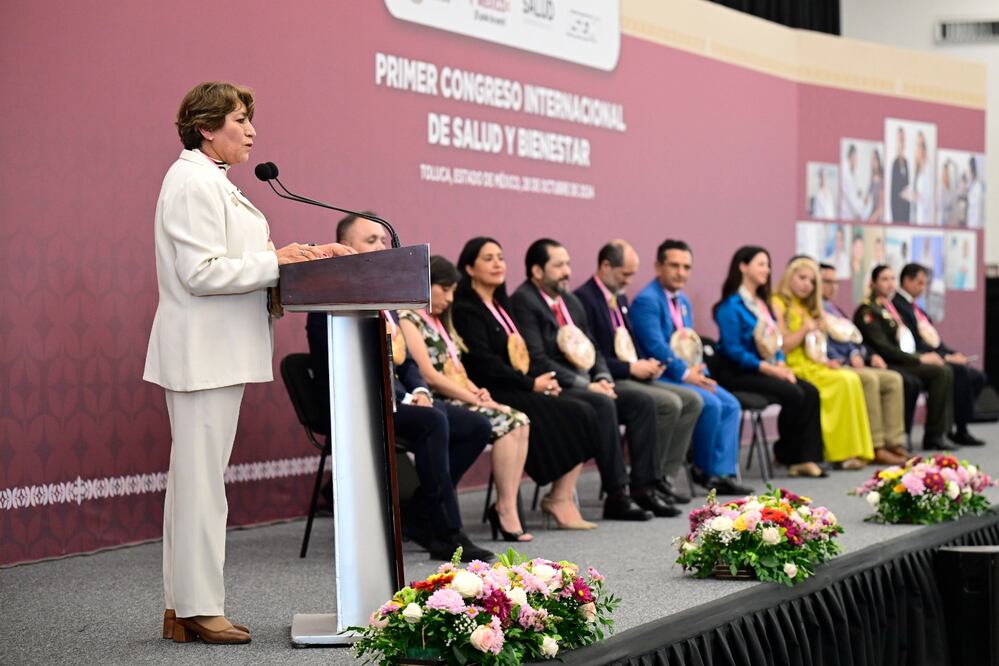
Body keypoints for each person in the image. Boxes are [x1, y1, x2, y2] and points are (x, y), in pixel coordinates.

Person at [144, 81, 352, 645]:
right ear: (207, 127)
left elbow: (242, 263)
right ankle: (197, 607)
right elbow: (203, 272)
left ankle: (182, 607)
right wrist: (275, 261)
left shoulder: (216, 183)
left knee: (197, 481)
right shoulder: (191, 180)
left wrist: (302, 258)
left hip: (217, 352)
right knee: (200, 485)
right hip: (201, 353)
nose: (252, 131)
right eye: (240, 120)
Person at [307, 214, 494, 562]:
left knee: (476, 426)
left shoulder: (385, 297)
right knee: (434, 422)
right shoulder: (328, 298)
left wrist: (419, 390)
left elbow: (404, 361)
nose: (381, 246)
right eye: (371, 241)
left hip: (397, 398)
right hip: (359, 403)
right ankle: (445, 531)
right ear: (346, 248)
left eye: (383, 240)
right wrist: (407, 397)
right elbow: (351, 360)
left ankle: (418, 512)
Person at [452, 237, 597, 530]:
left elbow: (523, 354)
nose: (497, 264)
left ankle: (560, 496)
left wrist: (543, 382)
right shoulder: (466, 308)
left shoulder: (502, 305)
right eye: (488, 258)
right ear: (469, 267)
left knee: (586, 409)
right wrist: (532, 385)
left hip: (517, 384)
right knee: (574, 412)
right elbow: (483, 363)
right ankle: (540, 502)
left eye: (501, 258)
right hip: (489, 389)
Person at [512, 238, 658, 521]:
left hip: (588, 382)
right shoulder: (524, 301)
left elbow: (594, 349)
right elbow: (536, 358)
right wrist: (587, 385)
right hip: (555, 385)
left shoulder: (570, 301)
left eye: (568, 264)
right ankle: (617, 495)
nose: (567, 271)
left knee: (642, 401)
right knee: (602, 404)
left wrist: (602, 376)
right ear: (537, 271)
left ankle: (644, 488)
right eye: (558, 265)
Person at [399, 256, 533, 541]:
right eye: (443, 289)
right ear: (425, 285)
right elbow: (430, 376)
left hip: (458, 395)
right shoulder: (409, 318)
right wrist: (475, 401)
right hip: (434, 399)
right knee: (507, 423)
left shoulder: (438, 321)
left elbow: (456, 369)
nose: (449, 298)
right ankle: (502, 510)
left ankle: (505, 505)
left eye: (452, 291)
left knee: (521, 420)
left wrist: (476, 391)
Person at [574, 240, 702, 504]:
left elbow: (628, 344)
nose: (630, 281)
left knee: (692, 400)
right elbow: (590, 357)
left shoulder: (618, 296)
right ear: (606, 266)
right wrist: (631, 367)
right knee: (667, 402)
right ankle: (644, 483)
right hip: (608, 378)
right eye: (625, 274)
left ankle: (664, 477)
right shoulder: (584, 300)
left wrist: (646, 364)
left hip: (630, 373)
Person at [630, 239, 751, 494]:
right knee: (711, 403)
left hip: (685, 373)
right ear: (658, 266)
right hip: (661, 374)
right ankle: (704, 470)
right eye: (674, 265)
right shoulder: (647, 301)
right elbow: (655, 346)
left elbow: (689, 344)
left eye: (686, 267)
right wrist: (686, 374)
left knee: (731, 404)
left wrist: (700, 372)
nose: (680, 272)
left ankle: (723, 472)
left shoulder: (682, 300)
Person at [712, 246, 826, 477]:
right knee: (794, 393)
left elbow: (777, 341)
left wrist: (782, 364)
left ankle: (805, 458)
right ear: (743, 267)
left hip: (767, 368)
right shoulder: (730, 306)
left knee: (811, 392)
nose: (767, 270)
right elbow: (733, 351)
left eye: (768, 264)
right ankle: (785, 454)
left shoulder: (763, 303)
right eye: (761, 264)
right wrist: (771, 370)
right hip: (740, 371)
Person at [771, 258, 875, 469]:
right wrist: (804, 329)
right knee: (841, 383)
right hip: (792, 364)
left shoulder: (807, 307)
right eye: (802, 278)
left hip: (813, 363)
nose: (806, 284)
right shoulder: (777, 303)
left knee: (850, 378)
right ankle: (835, 451)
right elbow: (781, 347)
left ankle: (851, 451)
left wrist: (826, 361)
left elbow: (815, 346)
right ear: (789, 276)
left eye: (811, 281)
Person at [852, 265, 955, 451]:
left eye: (892, 279)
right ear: (873, 283)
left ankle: (936, 433)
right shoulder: (868, 310)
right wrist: (919, 359)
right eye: (884, 279)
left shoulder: (892, 308)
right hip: (887, 361)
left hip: (904, 359)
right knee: (928, 376)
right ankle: (903, 435)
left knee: (944, 371)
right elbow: (884, 348)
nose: (890, 284)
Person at [819, 263, 910, 464]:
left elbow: (853, 339)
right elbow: (824, 343)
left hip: (854, 361)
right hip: (835, 364)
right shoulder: (817, 309)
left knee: (893, 379)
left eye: (835, 282)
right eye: (827, 281)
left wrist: (865, 355)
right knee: (869, 380)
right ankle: (876, 445)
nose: (833, 286)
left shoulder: (835, 309)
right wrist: (847, 357)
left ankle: (893, 442)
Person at [895, 263, 987, 446]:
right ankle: (941, 433)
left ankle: (958, 426)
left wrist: (952, 353)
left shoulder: (917, 307)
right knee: (954, 372)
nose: (923, 288)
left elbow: (934, 340)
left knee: (978, 377)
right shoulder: (898, 306)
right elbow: (914, 343)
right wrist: (945, 358)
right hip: (916, 358)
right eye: (919, 283)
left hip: (934, 354)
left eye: (925, 283)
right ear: (906, 281)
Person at [840, 144, 869, 221]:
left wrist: (859, 194)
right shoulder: (845, 174)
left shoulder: (851, 171)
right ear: (852, 157)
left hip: (850, 214)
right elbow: (854, 204)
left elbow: (854, 191)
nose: (857, 161)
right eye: (856, 158)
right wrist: (864, 202)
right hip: (846, 215)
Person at [890, 127, 910, 223]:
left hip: (906, 210)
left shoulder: (906, 162)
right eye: (899, 140)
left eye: (903, 139)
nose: (901, 143)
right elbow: (893, 192)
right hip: (897, 211)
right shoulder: (894, 163)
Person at [912, 131, 933, 225]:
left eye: (921, 145)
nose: (919, 149)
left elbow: (928, 198)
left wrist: (917, 197)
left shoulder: (928, 168)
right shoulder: (917, 168)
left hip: (924, 218)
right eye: (917, 145)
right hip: (915, 214)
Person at [866, 149, 885, 223]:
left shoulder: (882, 180)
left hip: (878, 218)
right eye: (871, 160)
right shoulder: (872, 178)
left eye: (874, 159)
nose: (872, 163)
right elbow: (867, 197)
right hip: (871, 213)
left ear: (878, 160)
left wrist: (871, 219)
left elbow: (882, 208)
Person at [966, 155, 984, 228]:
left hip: (976, 223)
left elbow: (975, 205)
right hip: (971, 222)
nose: (968, 172)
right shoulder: (972, 185)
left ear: (973, 171)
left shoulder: (978, 187)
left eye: (969, 170)